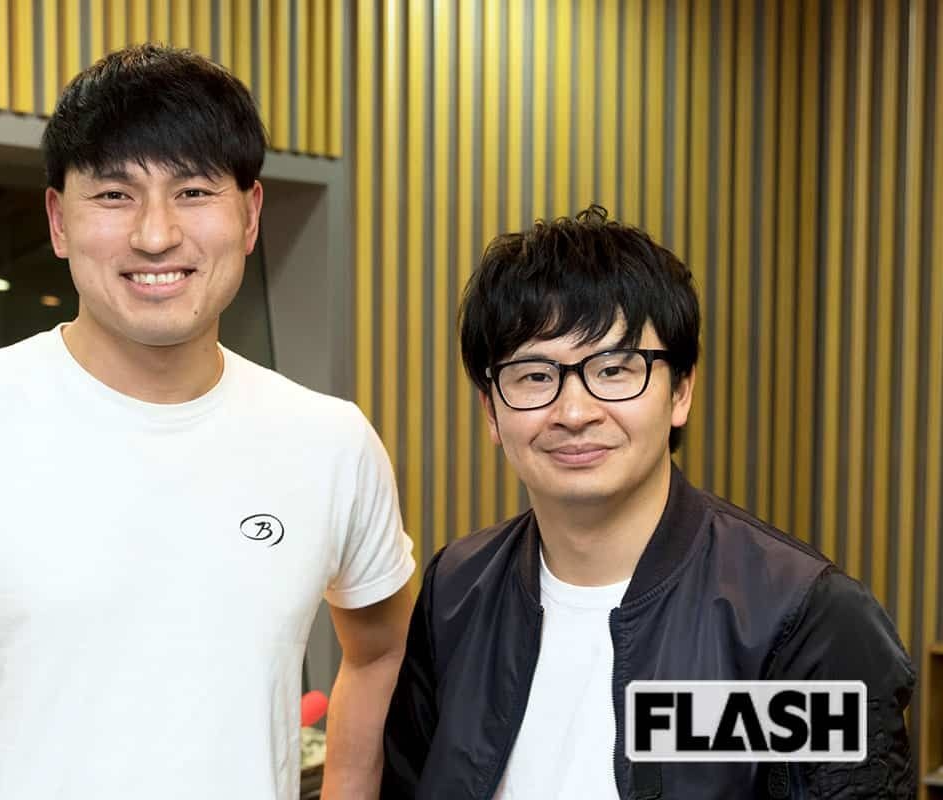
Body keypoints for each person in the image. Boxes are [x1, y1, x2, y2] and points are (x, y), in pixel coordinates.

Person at [0, 45, 414, 800]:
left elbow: (380, 651)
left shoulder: (330, 440)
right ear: (59, 221)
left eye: (193, 191)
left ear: (250, 214)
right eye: (115, 195)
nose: (156, 235)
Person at [381, 206, 914, 798]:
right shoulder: (456, 592)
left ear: (680, 390)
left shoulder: (799, 617)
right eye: (534, 376)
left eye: (614, 369)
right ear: (491, 411)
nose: (574, 412)